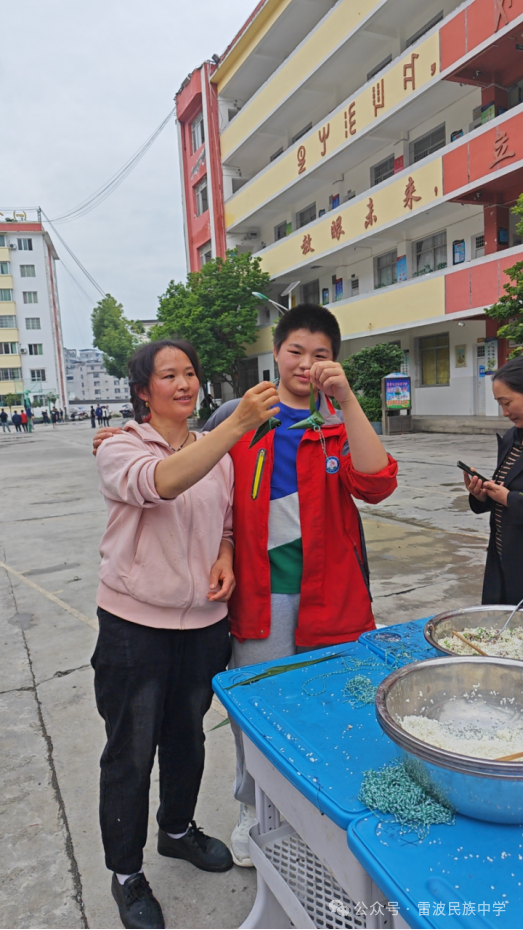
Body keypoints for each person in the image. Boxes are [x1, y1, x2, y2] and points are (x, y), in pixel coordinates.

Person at [94, 305, 398, 869]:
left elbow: (377, 484)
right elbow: (180, 460)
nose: (307, 364)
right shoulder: (242, 415)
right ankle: (254, 813)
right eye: (296, 352)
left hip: (331, 598)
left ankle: (324, 818)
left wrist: (351, 401)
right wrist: (123, 435)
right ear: (276, 353)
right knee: (255, 717)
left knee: (326, 712)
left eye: (322, 354)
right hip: (256, 600)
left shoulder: (336, 422)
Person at [93, 338, 278, 930]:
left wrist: (224, 553)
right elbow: (162, 483)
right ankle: (126, 874)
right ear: (143, 391)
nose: (185, 383)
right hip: (133, 627)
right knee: (129, 750)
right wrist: (237, 426)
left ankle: (176, 830)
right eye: (168, 375)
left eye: (191, 373)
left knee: (186, 739)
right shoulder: (121, 448)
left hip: (202, 626)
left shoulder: (214, 454)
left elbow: (224, 520)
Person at [465, 355, 523, 605]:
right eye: (500, 403)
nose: (504, 412)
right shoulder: (512, 438)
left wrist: (508, 498)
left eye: (507, 402)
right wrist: (483, 495)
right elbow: (507, 488)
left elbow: (511, 496)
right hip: (503, 557)